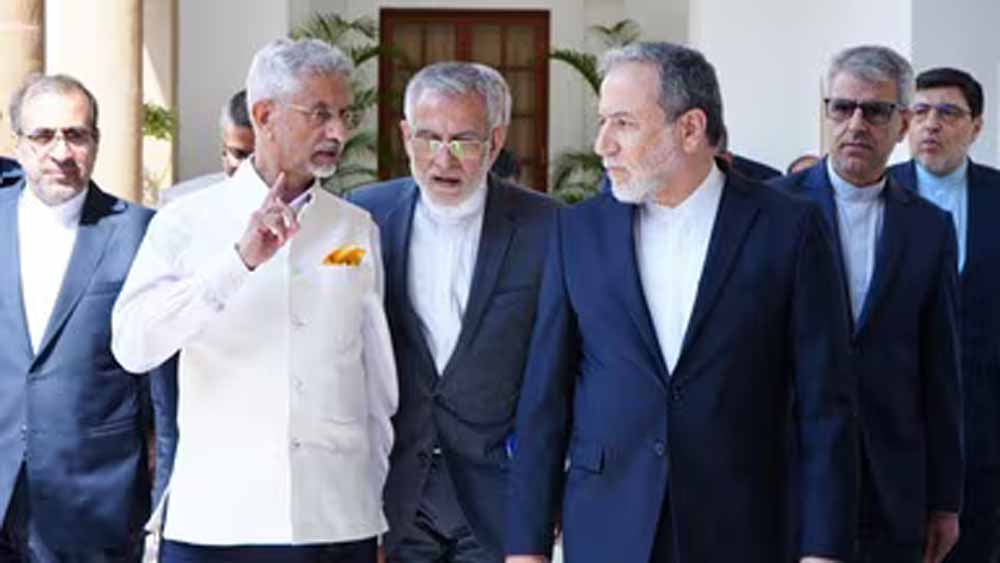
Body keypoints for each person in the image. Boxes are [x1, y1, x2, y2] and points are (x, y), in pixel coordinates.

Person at [505, 41, 856, 563]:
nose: (603, 144)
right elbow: (545, 398)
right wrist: (526, 545)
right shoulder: (577, 231)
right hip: (607, 524)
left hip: (743, 526)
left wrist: (823, 550)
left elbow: (826, 402)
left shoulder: (790, 228)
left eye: (623, 123)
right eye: (603, 122)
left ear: (690, 128)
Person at [111, 38, 397, 563]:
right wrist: (236, 263)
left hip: (337, 521)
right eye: (320, 114)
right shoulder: (184, 220)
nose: (338, 132)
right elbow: (133, 345)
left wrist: (373, 506)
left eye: (344, 115)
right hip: (217, 524)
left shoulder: (356, 228)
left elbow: (376, 385)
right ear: (265, 115)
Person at [350, 62, 557, 563]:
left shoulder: (548, 228)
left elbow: (559, 377)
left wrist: (539, 515)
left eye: (464, 140)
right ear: (406, 136)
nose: (443, 159)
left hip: (498, 497)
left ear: (495, 140)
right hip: (394, 494)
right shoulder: (364, 216)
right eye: (428, 138)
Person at [773, 46, 963, 563]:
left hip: (891, 479)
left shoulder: (929, 228)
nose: (856, 124)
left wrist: (946, 500)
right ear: (826, 113)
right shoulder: (770, 208)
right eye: (843, 107)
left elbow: (941, 369)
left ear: (902, 124)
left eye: (875, 111)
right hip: (790, 470)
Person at [0, 73, 156, 562]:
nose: (61, 152)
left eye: (76, 135)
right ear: (18, 143)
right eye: (43, 136)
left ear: (96, 141)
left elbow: (161, 384)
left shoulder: (139, 232)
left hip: (93, 506)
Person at [889, 67, 1000, 563]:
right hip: (898, 417)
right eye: (920, 111)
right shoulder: (879, 192)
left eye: (949, 113)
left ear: (976, 127)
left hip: (984, 420)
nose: (931, 124)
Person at [157, 89, 255, 207]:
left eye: (261, 157)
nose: (250, 166)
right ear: (224, 150)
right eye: (240, 154)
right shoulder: (177, 203)